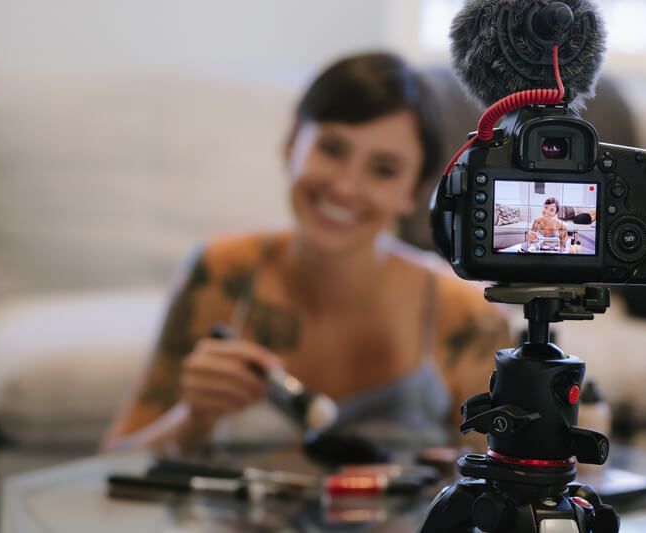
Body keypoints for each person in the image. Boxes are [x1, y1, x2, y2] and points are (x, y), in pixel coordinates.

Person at [100, 52, 512, 455]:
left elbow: (506, 484)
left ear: (415, 192)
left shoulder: (466, 312)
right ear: (292, 142)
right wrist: (192, 420)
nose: (346, 188)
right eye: (332, 149)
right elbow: (111, 464)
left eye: (383, 170)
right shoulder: (220, 271)